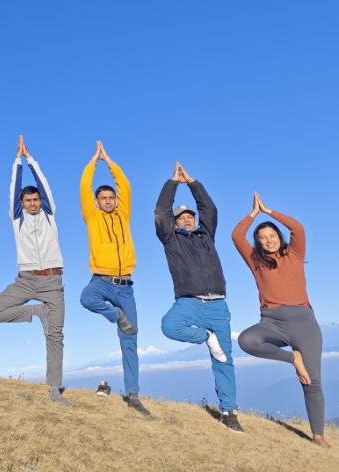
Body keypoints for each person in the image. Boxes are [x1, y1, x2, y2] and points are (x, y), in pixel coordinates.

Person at [233, 193, 328, 447]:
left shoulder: (294, 254)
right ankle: (292, 358)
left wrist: (268, 211)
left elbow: (297, 227)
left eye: (271, 235)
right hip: (271, 322)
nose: (268, 240)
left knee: (312, 380)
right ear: (259, 243)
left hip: (304, 322)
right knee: (246, 340)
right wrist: (252, 214)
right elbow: (236, 236)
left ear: (278, 236)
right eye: (262, 238)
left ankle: (318, 436)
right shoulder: (256, 262)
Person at [155, 162, 240, 432]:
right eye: (181, 217)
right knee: (169, 326)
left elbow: (210, 210)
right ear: (175, 222)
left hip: (218, 304)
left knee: (224, 359)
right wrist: (172, 184)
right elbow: (161, 213)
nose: (187, 219)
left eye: (190, 216)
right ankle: (206, 337)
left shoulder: (207, 236)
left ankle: (229, 412)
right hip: (189, 302)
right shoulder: (171, 240)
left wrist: (193, 183)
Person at [0, 136, 67, 405]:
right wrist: (17, 163)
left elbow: (45, 186)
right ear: (22, 203)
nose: (32, 203)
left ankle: (54, 389)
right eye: (28, 200)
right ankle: (37, 312)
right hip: (26, 280)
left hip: (53, 281)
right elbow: (13, 189)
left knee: (55, 335)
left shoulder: (49, 214)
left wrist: (31, 160)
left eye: (35, 200)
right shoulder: (17, 218)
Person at [77, 141, 148, 415]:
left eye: (111, 197)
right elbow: (85, 186)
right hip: (101, 281)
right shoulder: (92, 217)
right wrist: (94, 163)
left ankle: (133, 395)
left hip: (126, 286)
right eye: (103, 198)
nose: (108, 200)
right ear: (97, 202)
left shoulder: (123, 215)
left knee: (130, 341)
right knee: (86, 297)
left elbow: (125, 185)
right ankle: (116, 315)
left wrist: (110, 162)